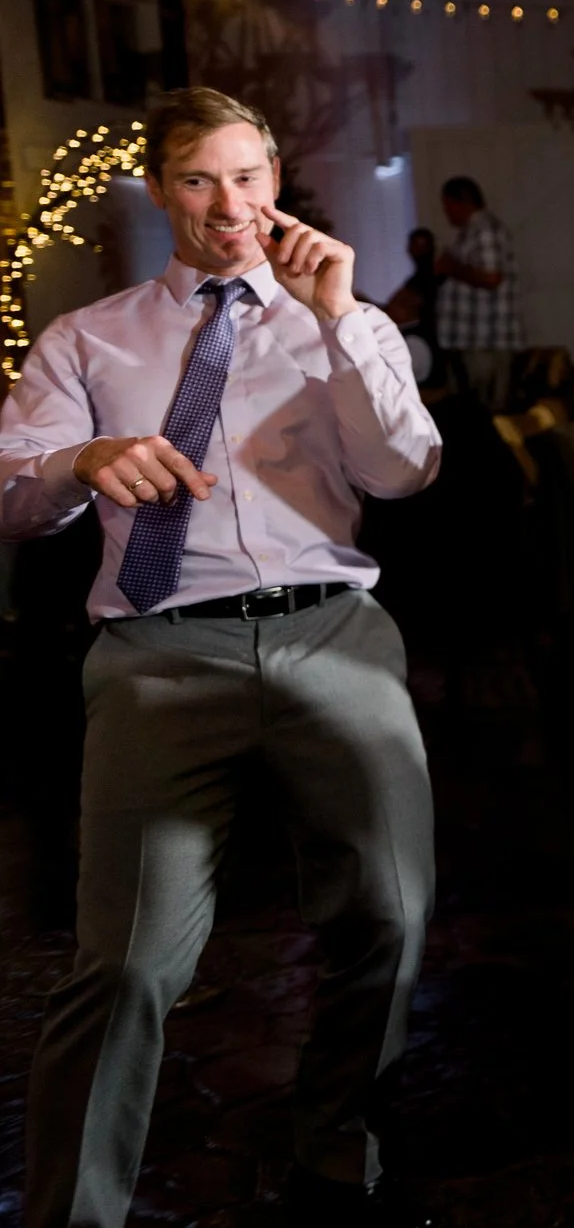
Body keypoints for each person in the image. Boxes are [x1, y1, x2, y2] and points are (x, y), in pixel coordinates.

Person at [0, 88, 442, 1226]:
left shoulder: (350, 320)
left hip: (331, 630)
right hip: (157, 649)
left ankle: (337, 1159)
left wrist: (339, 318)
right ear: (161, 188)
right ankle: (72, 1214)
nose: (229, 205)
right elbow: (12, 501)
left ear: (277, 180)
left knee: (388, 921)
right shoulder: (85, 337)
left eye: (248, 177)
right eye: (199, 179)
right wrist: (81, 460)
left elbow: (403, 473)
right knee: (130, 963)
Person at [434, 175, 520, 411]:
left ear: (460, 201)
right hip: (474, 340)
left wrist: (452, 267)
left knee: (487, 411)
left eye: (447, 205)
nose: (446, 212)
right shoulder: (471, 232)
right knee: (474, 410)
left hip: (486, 340)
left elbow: (491, 277)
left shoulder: (485, 232)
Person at [383, 227, 440, 387]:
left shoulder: (412, 344)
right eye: (415, 245)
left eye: (423, 245)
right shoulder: (417, 279)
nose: (417, 250)